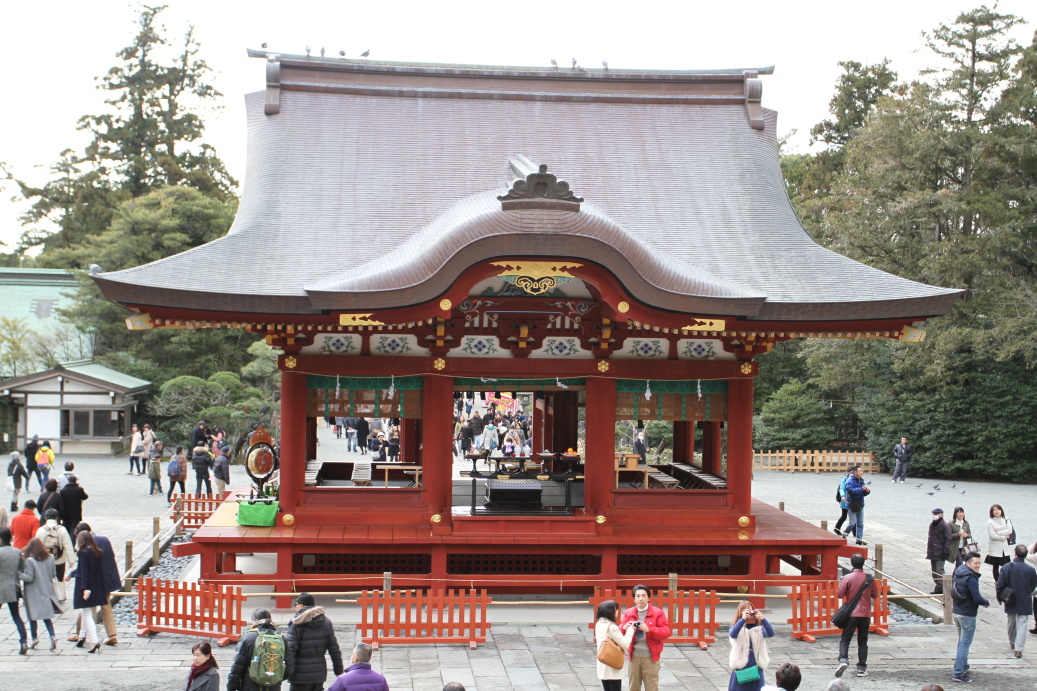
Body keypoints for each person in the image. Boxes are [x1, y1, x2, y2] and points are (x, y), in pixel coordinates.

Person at [67, 522, 120, 646]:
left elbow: (84, 567)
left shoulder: (86, 546)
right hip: (107, 577)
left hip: (94, 580)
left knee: (88, 607)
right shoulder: (104, 540)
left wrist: (71, 574)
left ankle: (81, 634)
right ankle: (112, 634)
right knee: (106, 606)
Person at [284, 592, 344, 691]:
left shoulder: (297, 623)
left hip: (300, 674)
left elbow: (290, 650)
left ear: (301, 605)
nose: (295, 607)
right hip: (319, 673)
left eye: (296, 605)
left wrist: (286, 671)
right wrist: (338, 670)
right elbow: (334, 649)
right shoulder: (326, 622)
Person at [227, 607, 295, 691]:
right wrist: (273, 678)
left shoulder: (248, 637)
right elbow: (289, 668)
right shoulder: (281, 638)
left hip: (250, 686)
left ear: (254, 621)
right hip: (273, 687)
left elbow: (237, 667)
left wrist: (232, 687)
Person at [620, 585, 672, 691]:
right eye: (638, 596)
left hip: (651, 657)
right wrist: (624, 628)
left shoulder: (658, 613)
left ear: (648, 598)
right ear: (634, 599)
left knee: (652, 687)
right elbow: (619, 632)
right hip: (634, 657)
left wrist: (649, 630)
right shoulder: (629, 613)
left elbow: (666, 632)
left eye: (644, 596)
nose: (641, 599)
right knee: (634, 687)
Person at [835, 553, 878, 678]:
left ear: (852, 563)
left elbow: (840, 594)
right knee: (863, 641)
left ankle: (843, 659)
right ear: (863, 563)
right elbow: (875, 594)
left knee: (845, 638)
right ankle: (861, 668)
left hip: (851, 613)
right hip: (865, 613)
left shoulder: (848, 577)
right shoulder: (869, 578)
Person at [951, 551, 989, 683]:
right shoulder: (971, 578)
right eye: (975, 563)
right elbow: (977, 598)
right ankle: (958, 673)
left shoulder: (959, 571)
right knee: (965, 644)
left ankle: (963, 665)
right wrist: (986, 602)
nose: (978, 565)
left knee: (962, 641)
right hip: (967, 614)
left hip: (956, 611)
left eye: (979, 563)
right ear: (968, 563)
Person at [995, 543, 1037, 659]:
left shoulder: (1007, 567)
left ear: (1015, 553)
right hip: (1024, 598)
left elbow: (1000, 584)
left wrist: (999, 597)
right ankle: (1019, 649)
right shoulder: (1030, 569)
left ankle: (1012, 641)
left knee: (1011, 621)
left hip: (1010, 598)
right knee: (1022, 624)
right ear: (1025, 556)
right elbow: (1033, 585)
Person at [17, 536, 59, 651]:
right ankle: (52, 635)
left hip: (33, 592)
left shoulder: (30, 560)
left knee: (32, 616)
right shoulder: (50, 558)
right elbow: (53, 574)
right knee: (46, 617)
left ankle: (34, 638)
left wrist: (19, 574)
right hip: (46, 590)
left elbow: (29, 577)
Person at [71, 529, 107, 653]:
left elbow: (84, 572)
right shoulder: (96, 552)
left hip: (86, 586)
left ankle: (94, 640)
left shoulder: (84, 553)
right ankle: (81, 637)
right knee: (86, 610)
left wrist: (85, 589)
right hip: (96, 586)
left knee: (87, 614)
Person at [727, 600, 773, 691]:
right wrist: (743, 619)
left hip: (756, 664)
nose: (748, 613)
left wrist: (763, 619)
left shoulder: (759, 629)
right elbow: (733, 634)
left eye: (750, 610)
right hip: (741, 665)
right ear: (740, 613)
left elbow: (770, 633)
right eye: (745, 610)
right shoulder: (737, 627)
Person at [595, 599, 636, 691]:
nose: (618, 612)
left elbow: (611, 638)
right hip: (613, 663)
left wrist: (623, 628)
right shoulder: (612, 627)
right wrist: (631, 630)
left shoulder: (599, 624)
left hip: (603, 662)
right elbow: (625, 644)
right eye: (617, 610)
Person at [0, 526, 29, 655]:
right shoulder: (17, 552)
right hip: (14, 588)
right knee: (16, 616)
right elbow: (22, 570)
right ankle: (23, 641)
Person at [35, 508, 75, 582]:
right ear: (56, 518)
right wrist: (71, 560)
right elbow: (67, 545)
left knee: (46, 582)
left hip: (45, 560)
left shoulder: (41, 530)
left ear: (45, 518)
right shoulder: (62, 529)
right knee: (59, 582)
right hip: (59, 560)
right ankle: (58, 593)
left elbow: (36, 546)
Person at [926, 508, 954, 595]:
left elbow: (948, 539)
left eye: (936, 514)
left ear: (941, 515)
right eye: (934, 514)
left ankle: (947, 588)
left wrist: (945, 552)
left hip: (940, 552)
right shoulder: (932, 524)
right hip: (932, 551)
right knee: (934, 573)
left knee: (939, 571)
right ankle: (939, 587)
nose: (935, 516)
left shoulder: (945, 525)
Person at [842, 465, 870, 546]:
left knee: (860, 523)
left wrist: (867, 491)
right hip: (852, 503)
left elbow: (863, 493)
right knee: (852, 522)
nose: (861, 473)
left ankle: (859, 539)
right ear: (855, 472)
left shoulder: (861, 480)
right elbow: (850, 491)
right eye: (860, 471)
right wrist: (861, 489)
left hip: (860, 502)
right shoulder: (850, 480)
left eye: (862, 471)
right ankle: (845, 533)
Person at [986, 504, 1014, 581]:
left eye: (998, 509)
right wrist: (1004, 537)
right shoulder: (990, 522)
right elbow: (992, 536)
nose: (997, 511)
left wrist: (998, 533)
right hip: (995, 547)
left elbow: (1009, 530)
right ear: (992, 512)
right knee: (995, 566)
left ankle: (1006, 580)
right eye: (994, 510)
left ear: (1001, 510)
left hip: (1004, 547)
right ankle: (997, 581)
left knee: (1007, 566)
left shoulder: (1006, 519)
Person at [58, 475, 88, 542]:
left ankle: (66, 543)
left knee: (67, 529)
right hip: (76, 513)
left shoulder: (63, 491)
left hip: (66, 513)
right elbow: (85, 497)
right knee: (73, 529)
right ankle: (71, 544)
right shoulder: (79, 490)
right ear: (75, 481)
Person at [833, 468, 853, 537]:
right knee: (844, 516)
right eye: (851, 472)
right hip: (845, 499)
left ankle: (855, 533)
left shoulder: (856, 479)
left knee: (853, 517)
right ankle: (837, 528)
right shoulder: (845, 479)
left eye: (853, 472)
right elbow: (841, 488)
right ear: (848, 472)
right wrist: (843, 496)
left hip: (853, 500)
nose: (852, 473)